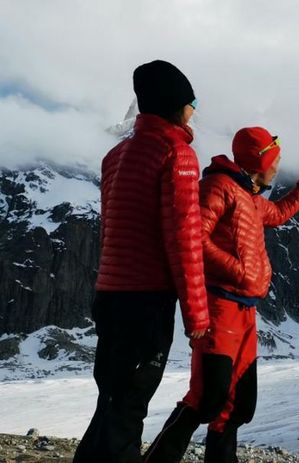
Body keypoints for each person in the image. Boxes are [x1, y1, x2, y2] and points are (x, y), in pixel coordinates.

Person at [144, 127, 299, 463]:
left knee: (239, 405)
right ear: (259, 163)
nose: (277, 168)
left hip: (245, 311)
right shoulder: (218, 187)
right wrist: (239, 270)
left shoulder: (251, 197)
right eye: (275, 162)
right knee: (207, 398)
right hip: (219, 305)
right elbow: (194, 237)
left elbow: (278, 214)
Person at [73, 60, 210, 463]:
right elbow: (183, 238)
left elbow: (109, 231)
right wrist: (197, 317)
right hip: (146, 302)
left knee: (111, 402)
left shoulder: (114, 156)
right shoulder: (177, 154)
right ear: (175, 105)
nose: (195, 109)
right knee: (130, 408)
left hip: (111, 297)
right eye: (192, 101)